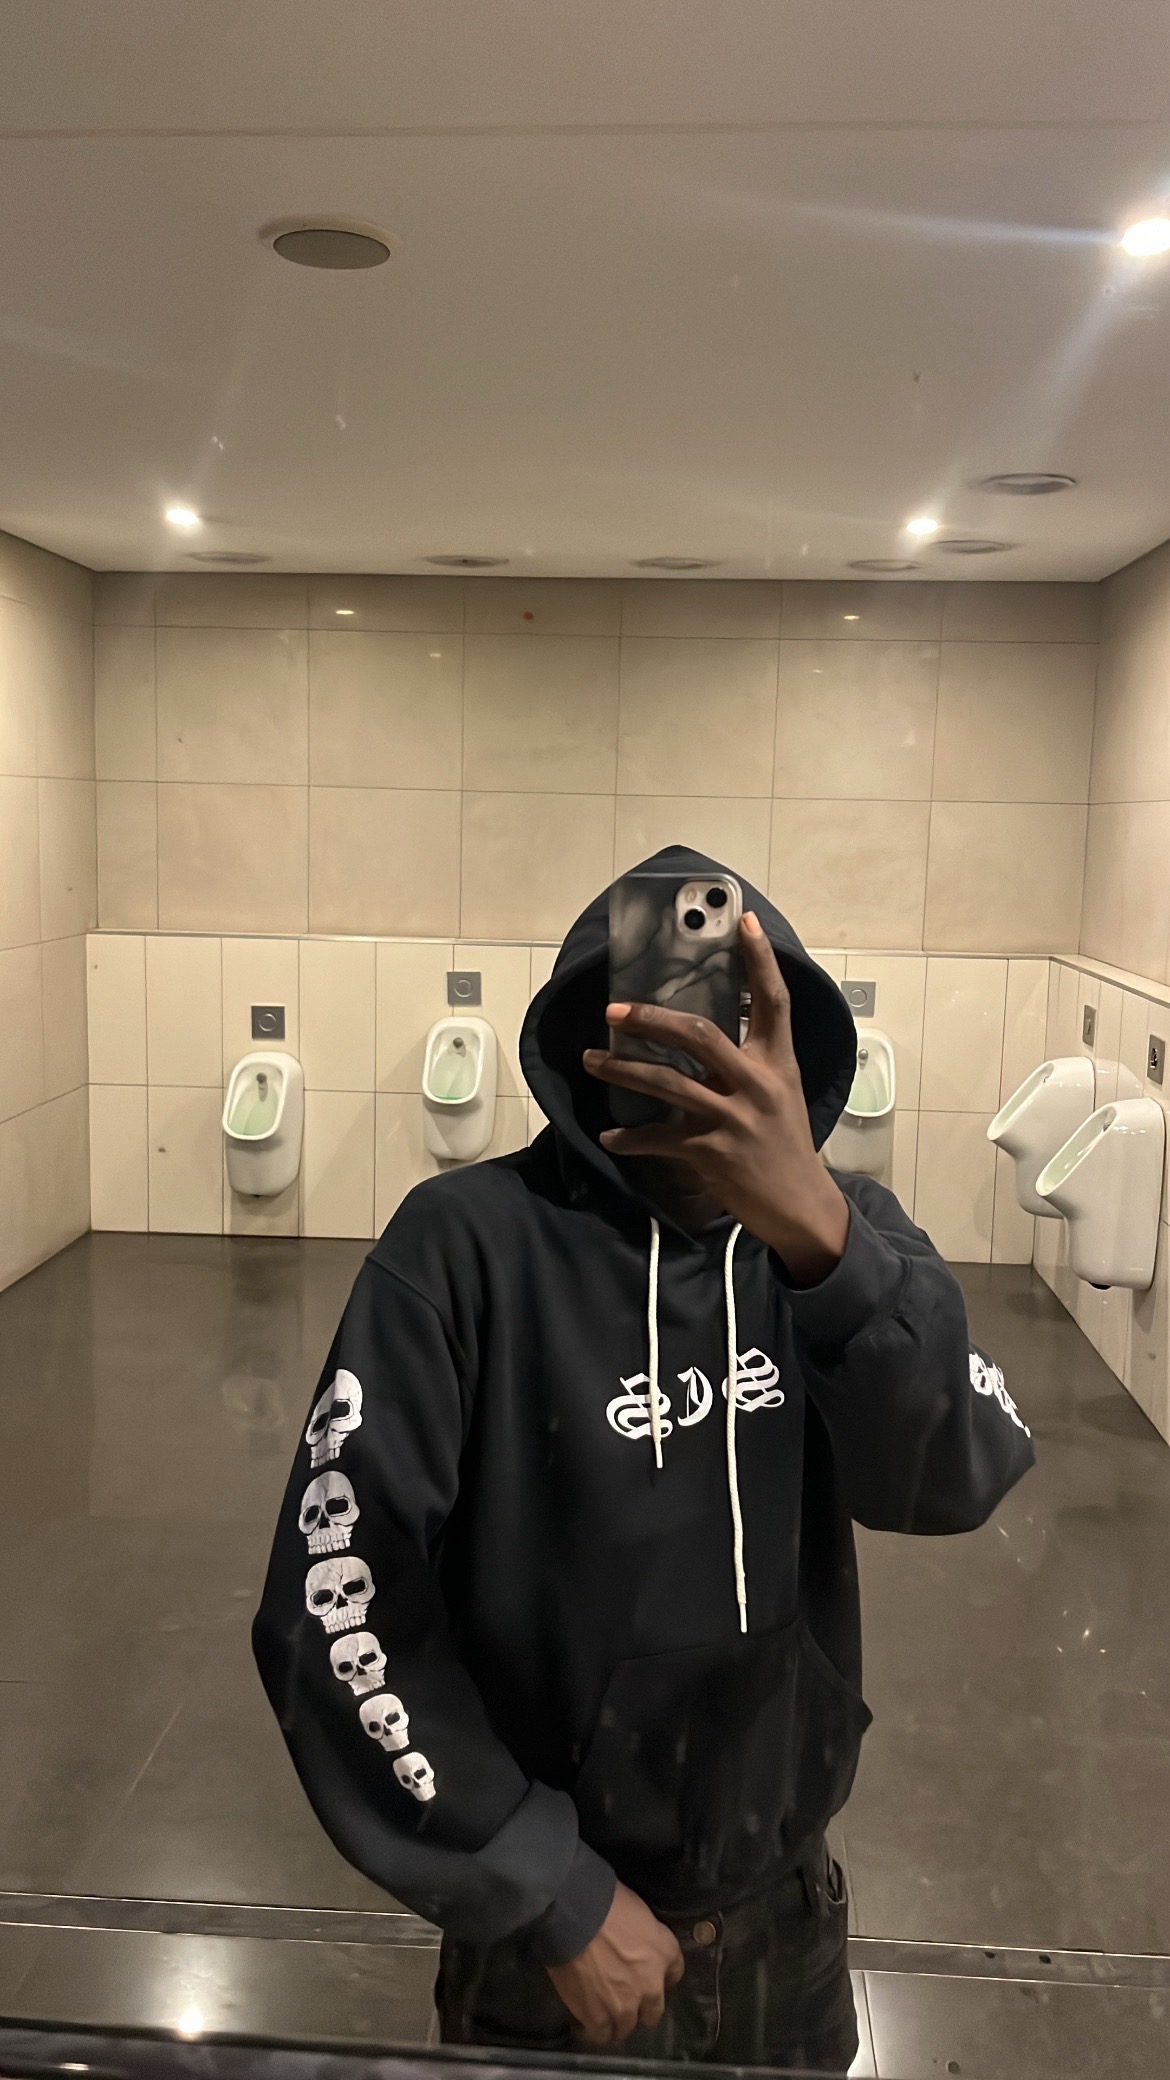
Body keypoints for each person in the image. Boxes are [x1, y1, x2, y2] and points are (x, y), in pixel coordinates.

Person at [254, 846, 1034, 2072]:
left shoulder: (852, 1240)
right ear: (588, 1041)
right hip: (558, 1953)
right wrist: (537, 1879)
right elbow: (337, 1598)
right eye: (651, 1020)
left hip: (790, 1919)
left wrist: (823, 1241)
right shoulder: (464, 1248)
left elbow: (954, 1476)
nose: (700, 1048)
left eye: (739, 1022)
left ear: (795, 1044)